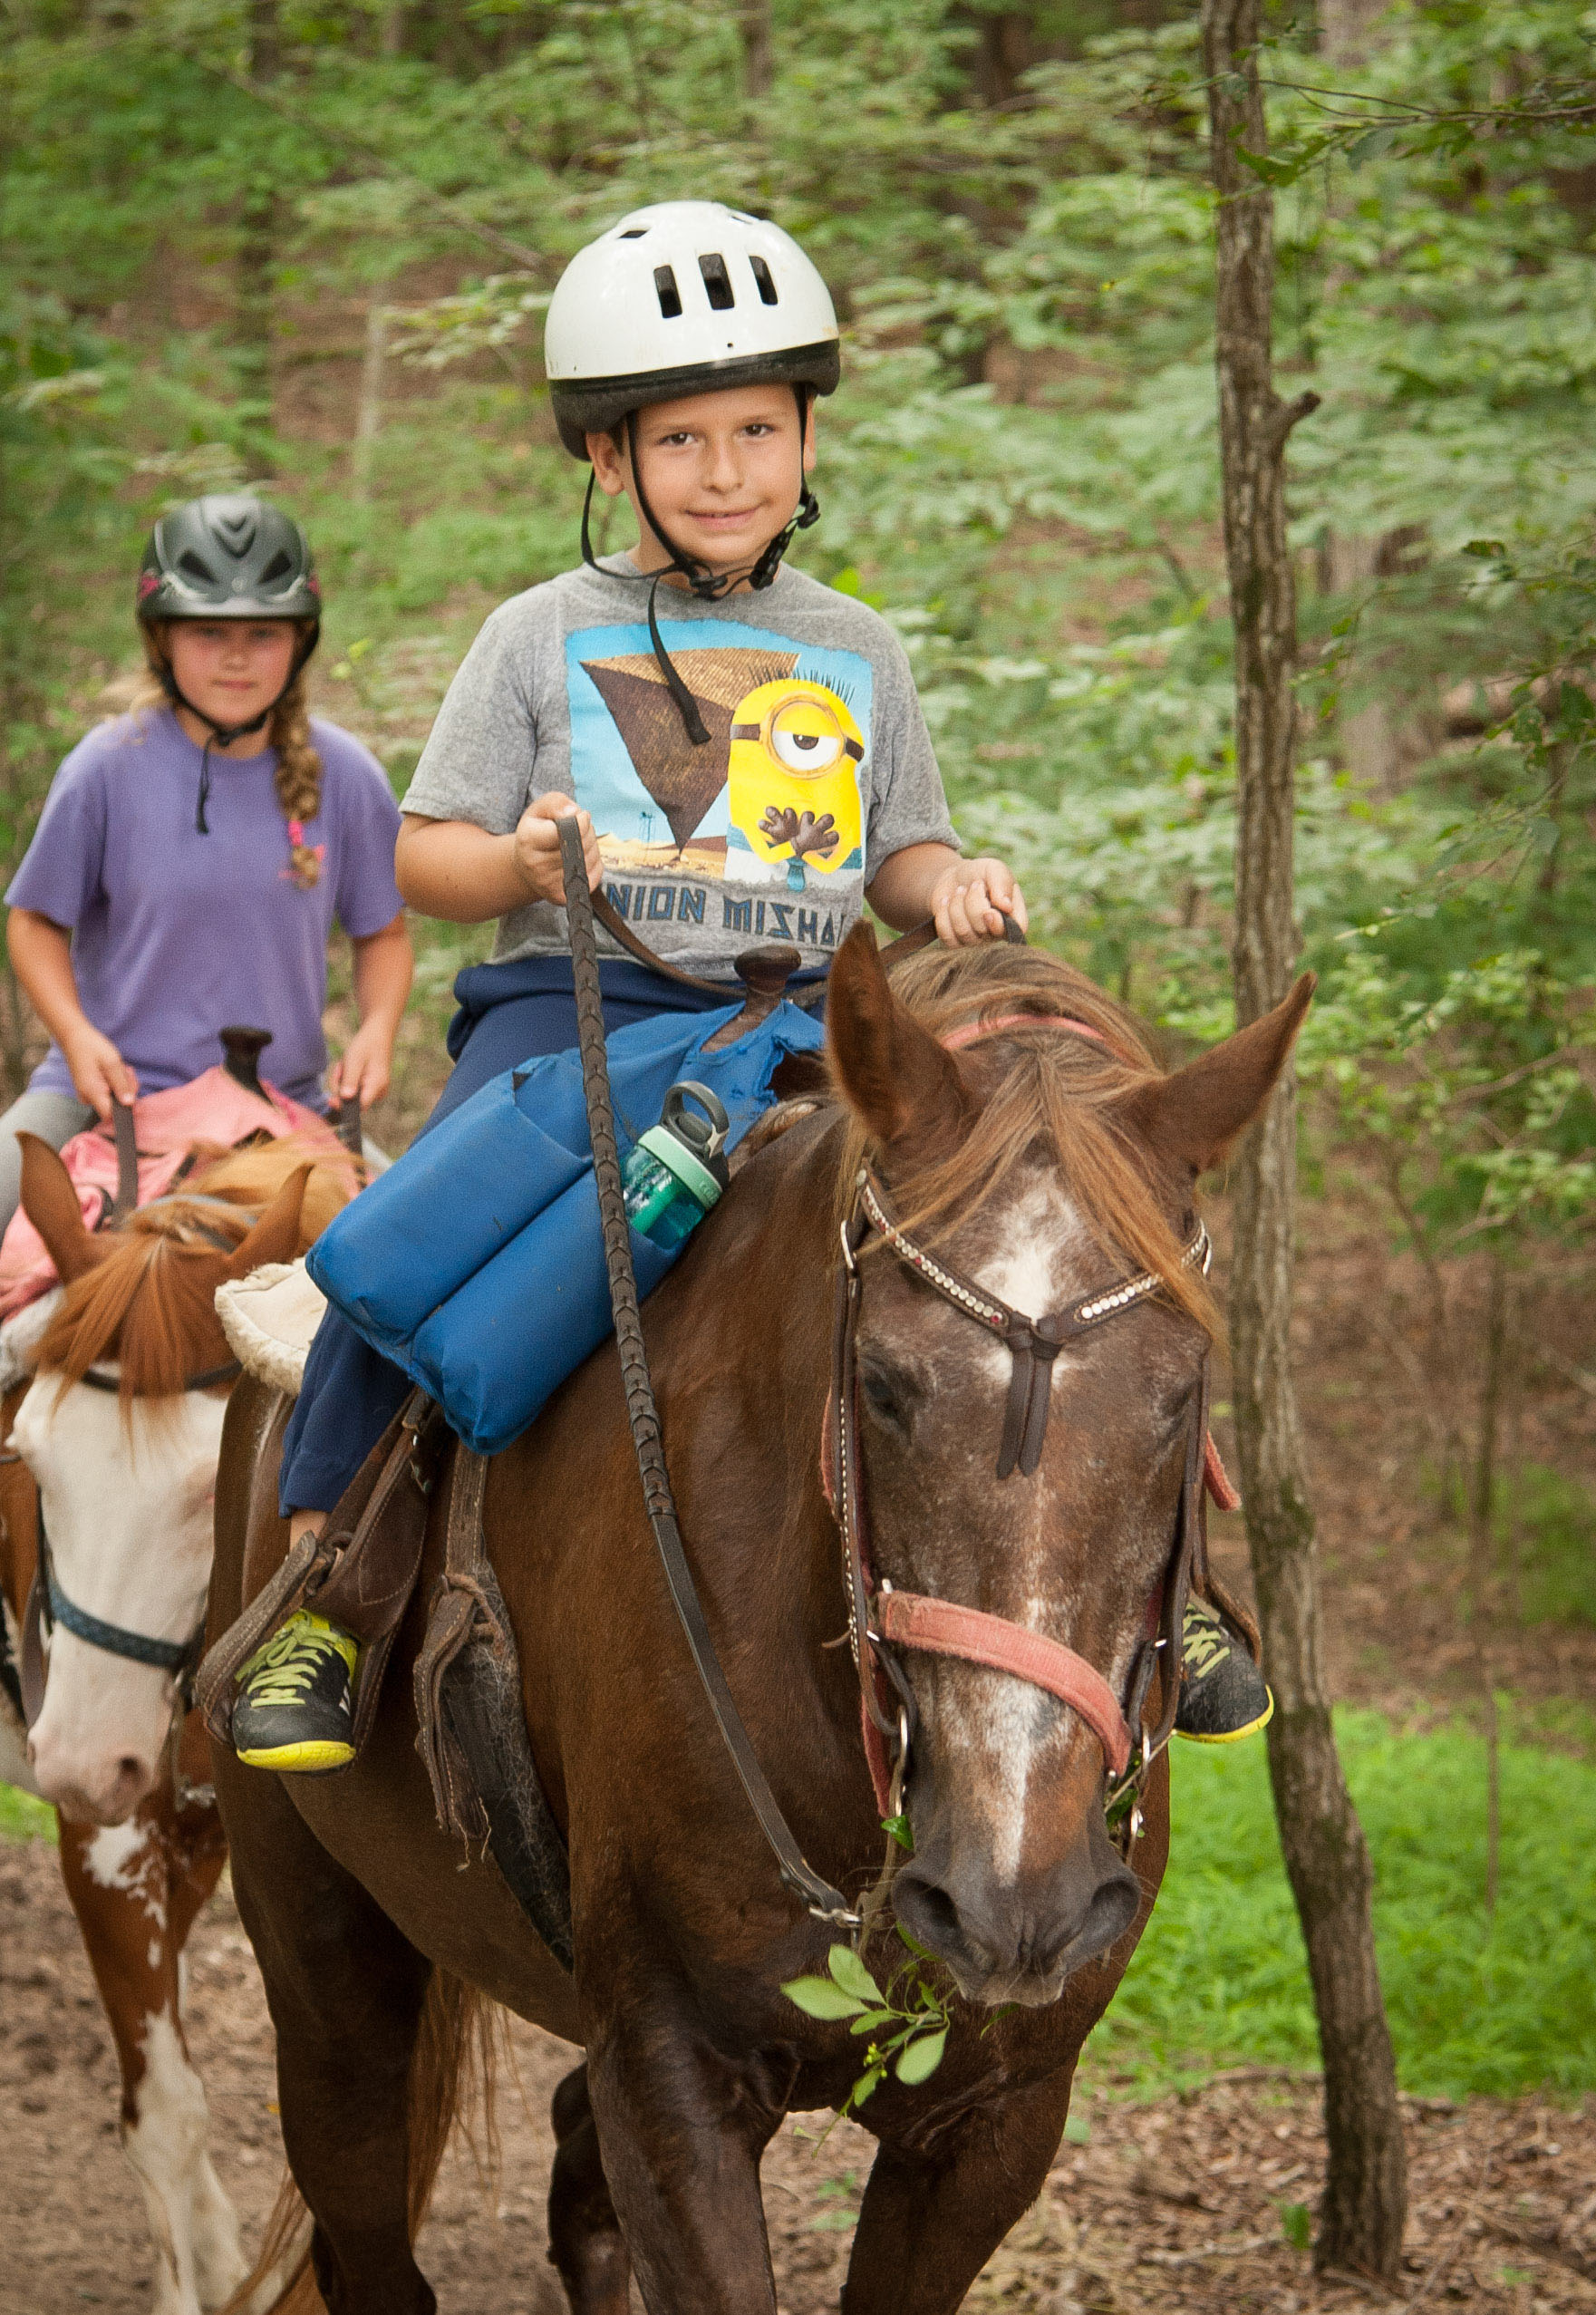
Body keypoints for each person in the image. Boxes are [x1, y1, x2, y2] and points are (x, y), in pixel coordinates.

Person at [230, 202, 1270, 1772]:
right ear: (607, 457)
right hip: (570, 1017)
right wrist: (514, 862)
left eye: (760, 430)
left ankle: (1171, 1578)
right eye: (687, 437)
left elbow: (896, 852)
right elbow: (417, 855)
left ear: (802, 440)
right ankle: (334, 1577)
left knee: (1051, 1241)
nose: (729, 470)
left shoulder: (850, 643)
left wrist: (951, 883)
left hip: (803, 1038)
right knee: (413, 1240)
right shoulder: (537, 635)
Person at [0, 496, 412, 1419]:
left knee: (426, 1271)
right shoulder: (107, 766)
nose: (235, 655)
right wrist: (78, 1035)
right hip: (104, 1089)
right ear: (160, 637)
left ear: (300, 639)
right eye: (207, 630)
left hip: (282, 1100)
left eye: (263, 631)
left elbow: (382, 933)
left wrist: (376, 1026)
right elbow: (33, 924)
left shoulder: (346, 776)